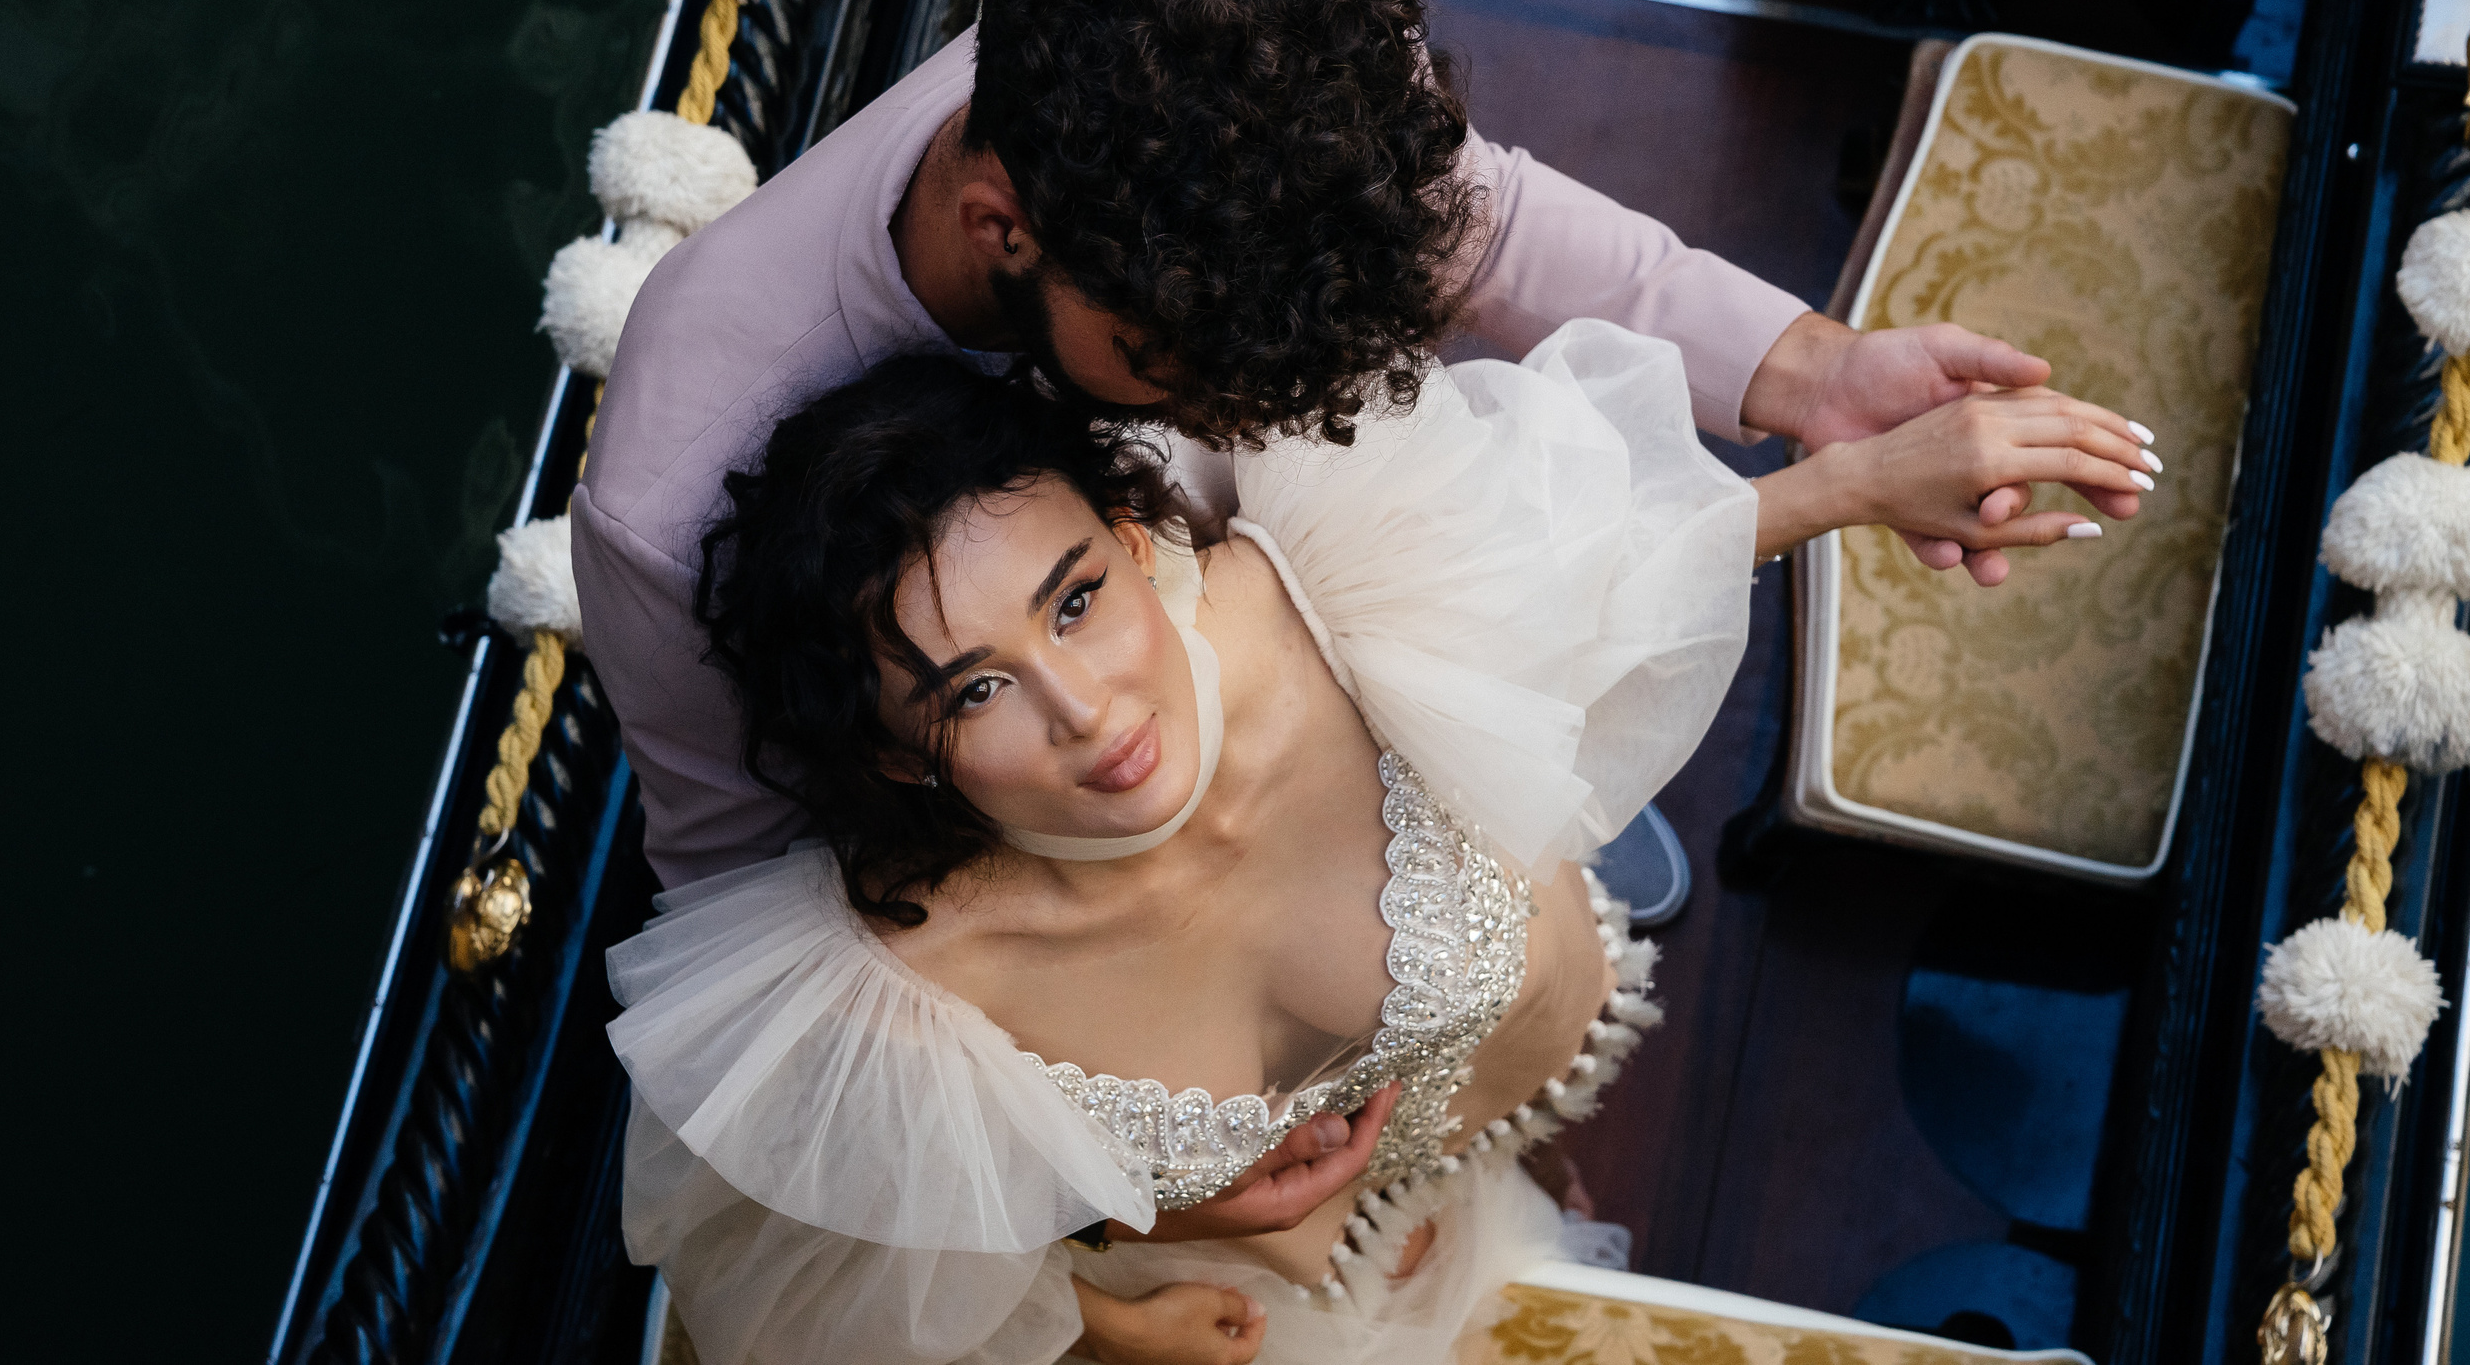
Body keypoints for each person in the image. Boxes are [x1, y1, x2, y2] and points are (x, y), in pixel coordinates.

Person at [574, 0, 2159, 1240]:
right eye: (1192, 366)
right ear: (1007, 233)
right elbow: (751, 890)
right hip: (1071, 883)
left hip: (1326, 595)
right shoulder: (670, 490)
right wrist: (1123, 1188)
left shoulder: (1232, 57)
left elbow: (1488, 221)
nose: (1252, 396)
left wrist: (1814, 376)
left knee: (1491, 915)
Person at [605, 326, 2146, 1364]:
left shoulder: (1323, 588)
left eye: (1075, 598)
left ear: (1141, 541)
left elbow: (1608, 563)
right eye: (978, 690)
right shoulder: (894, 995)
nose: (1085, 713)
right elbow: (868, 1290)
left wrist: (1862, 480)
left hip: (1486, 1063)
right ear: (897, 749)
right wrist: (1132, 1285)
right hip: (1229, 1305)